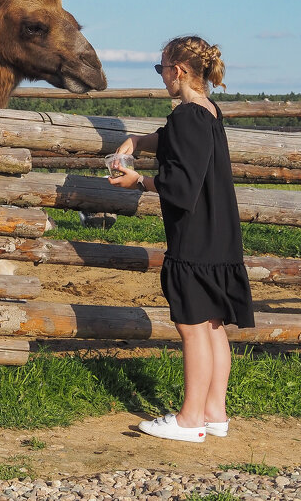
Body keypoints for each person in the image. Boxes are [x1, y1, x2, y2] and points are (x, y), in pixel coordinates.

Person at [108, 35, 254, 443]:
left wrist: (139, 180)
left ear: (180, 71)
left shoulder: (189, 114)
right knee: (212, 325)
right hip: (219, 233)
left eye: (161, 69)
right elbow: (173, 138)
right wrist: (138, 141)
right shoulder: (207, 111)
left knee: (192, 327)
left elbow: (181, 185)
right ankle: (214, 413)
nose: (161, 77)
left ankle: (190, 420)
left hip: (195, 235)